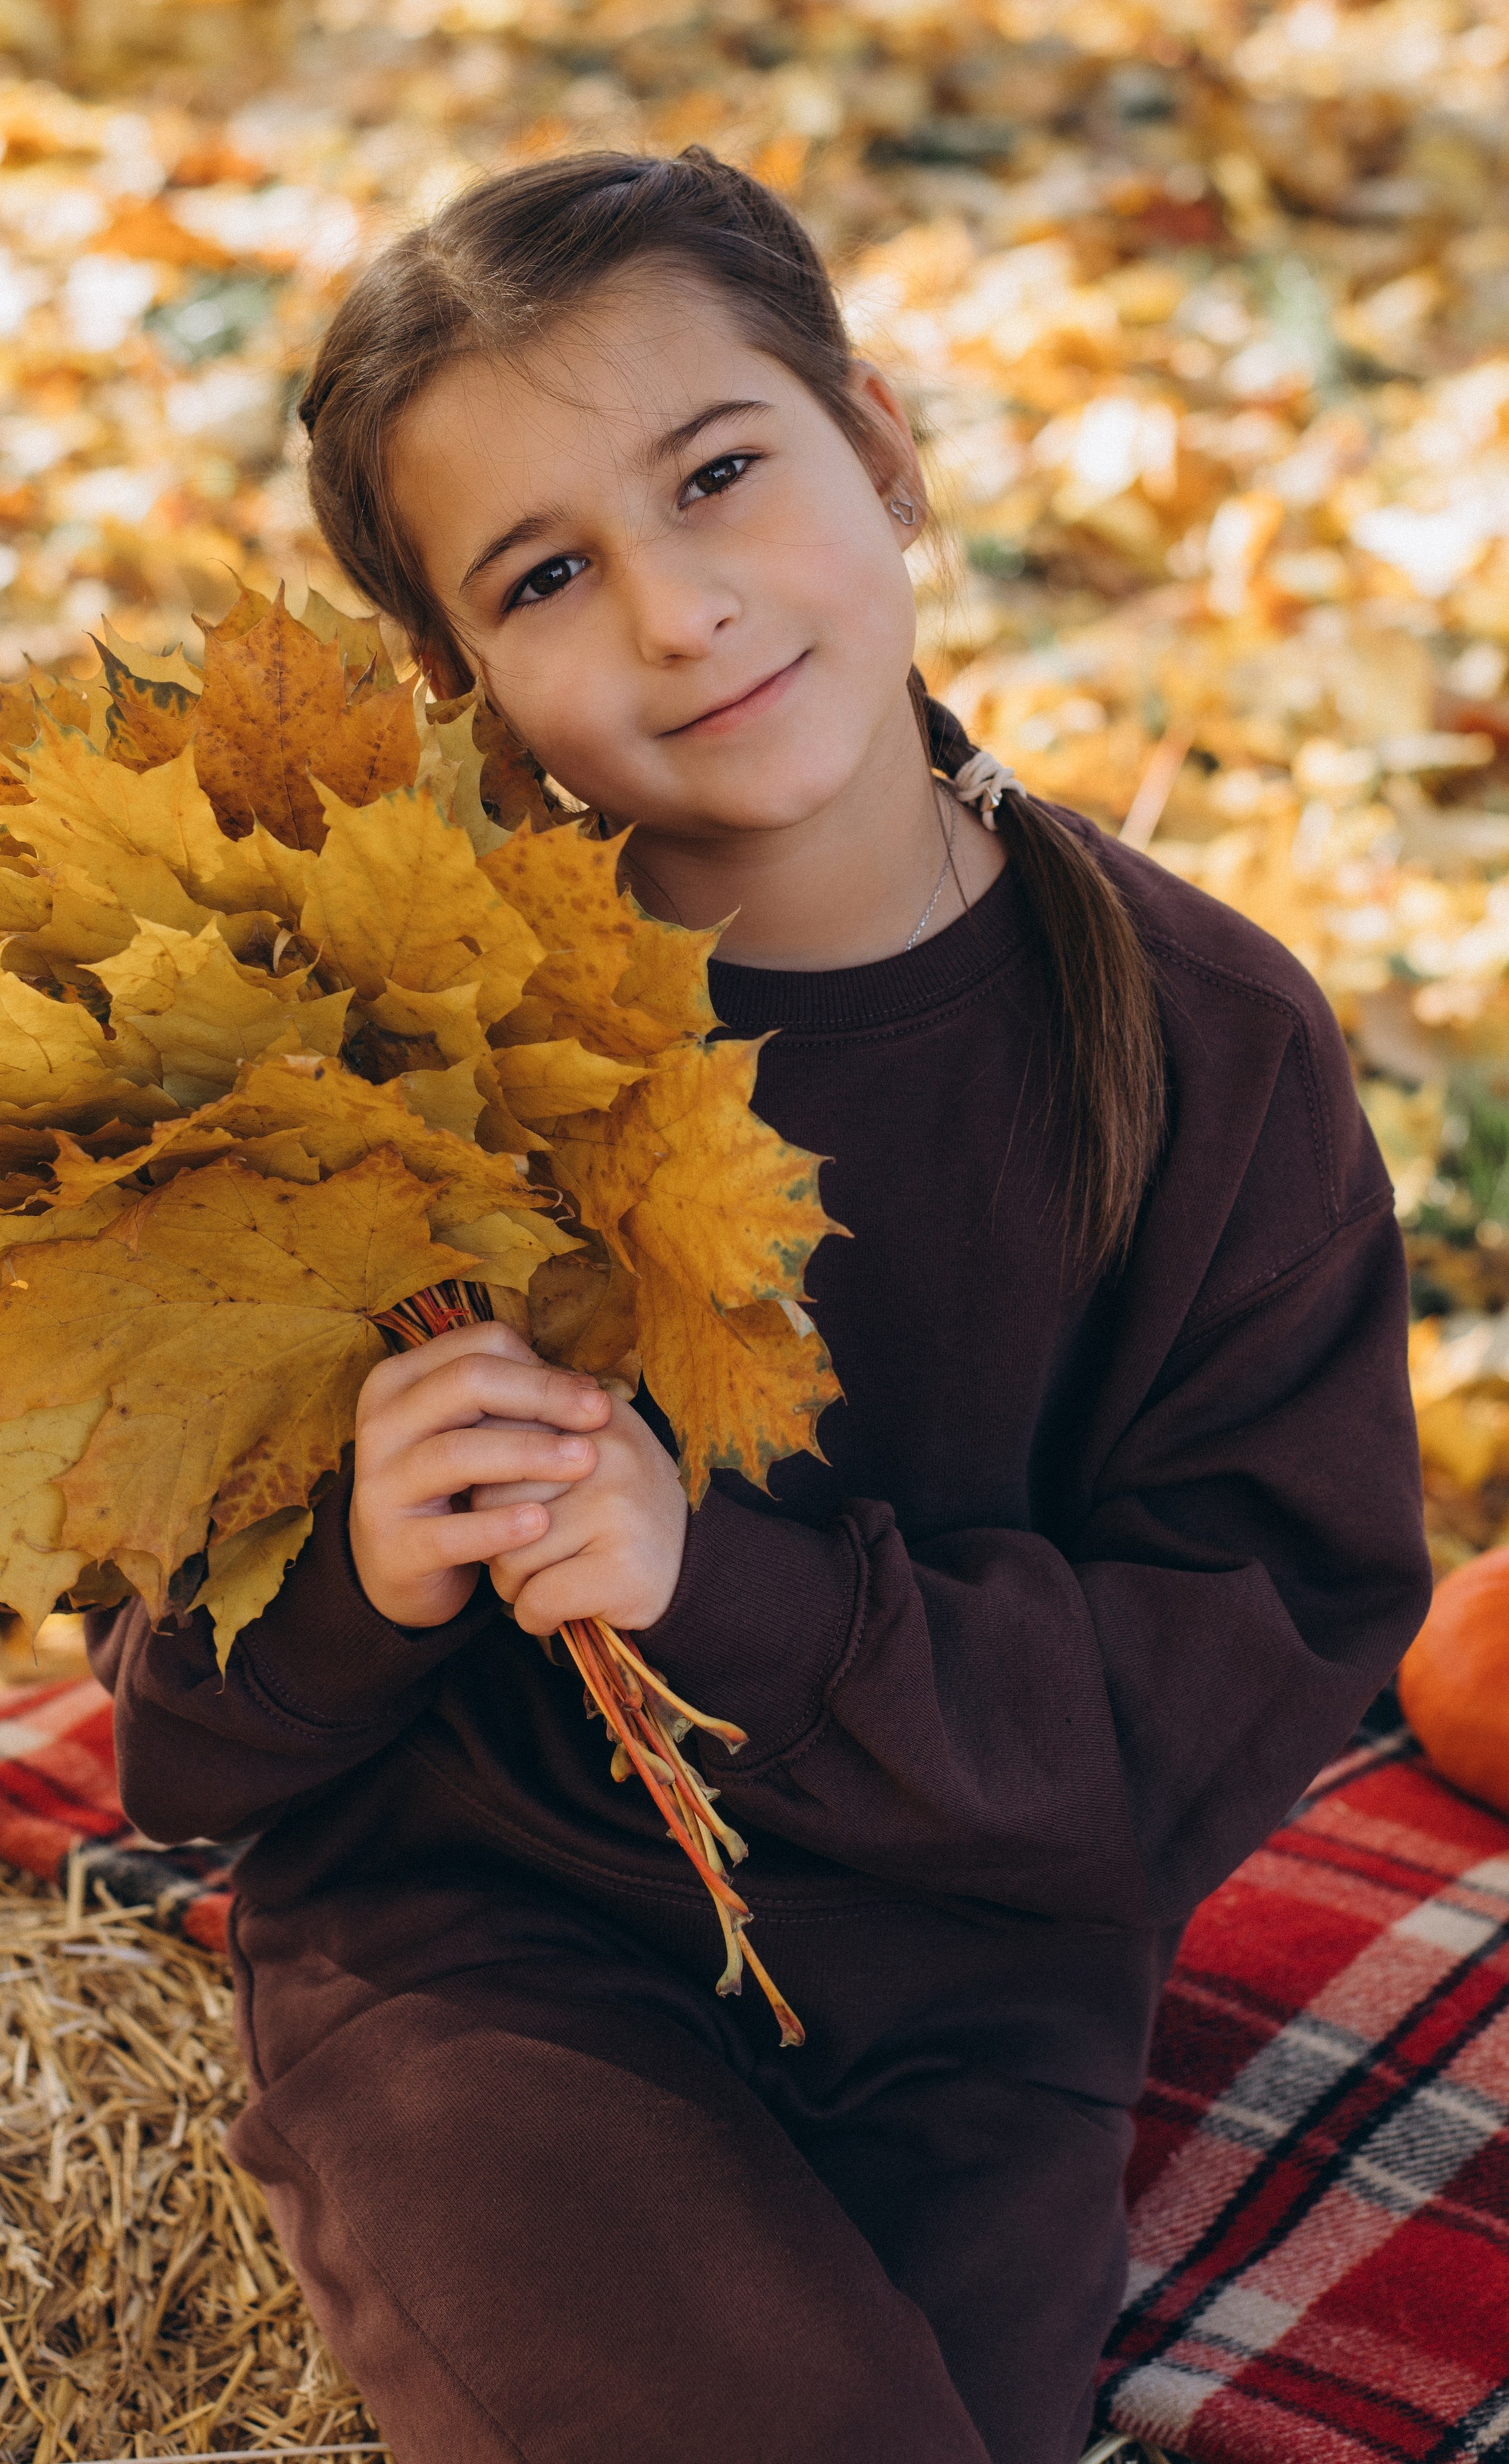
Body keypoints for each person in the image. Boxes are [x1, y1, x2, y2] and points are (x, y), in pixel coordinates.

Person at [87, 147, 1431, 2464]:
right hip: (497, 1965)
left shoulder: (1211, 1046)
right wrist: (365, 1577)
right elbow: (183, 1744)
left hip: (977, 2001)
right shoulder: (404, 1053)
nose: (684, 609)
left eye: (720, 472)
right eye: (548, 575)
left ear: (880, 449)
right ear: (468, 679)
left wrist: (743, 1600)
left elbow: (1232, 1689)